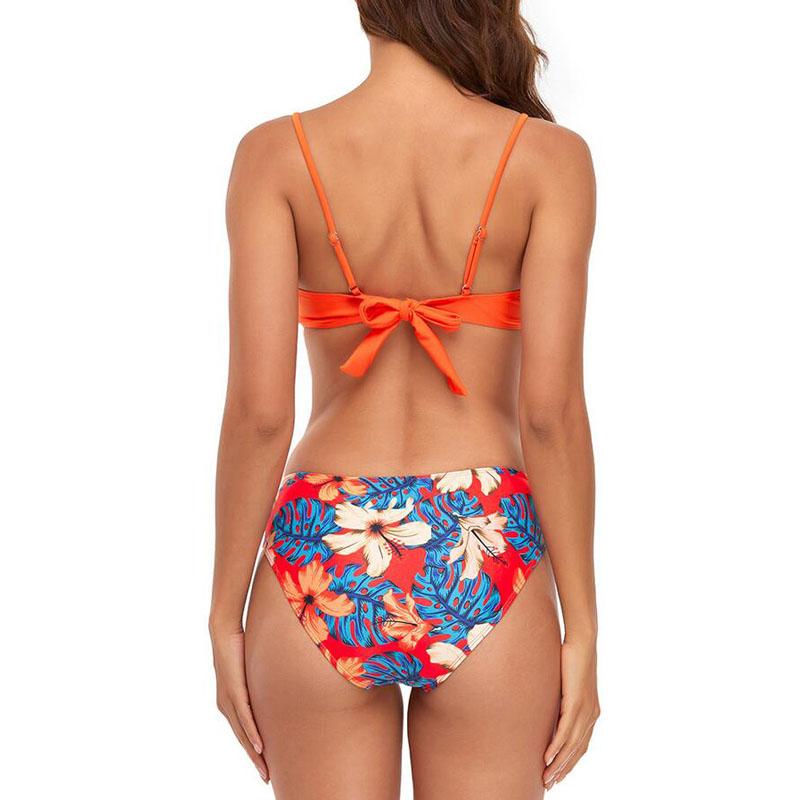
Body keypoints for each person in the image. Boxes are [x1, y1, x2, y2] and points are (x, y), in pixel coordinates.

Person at [210, 2, 599, 797]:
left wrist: (223, 613)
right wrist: (584, 624)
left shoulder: (275, 154)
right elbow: (550, 414)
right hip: (484, 539)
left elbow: (260, 413)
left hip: (321, 542)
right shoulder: (549, 159)